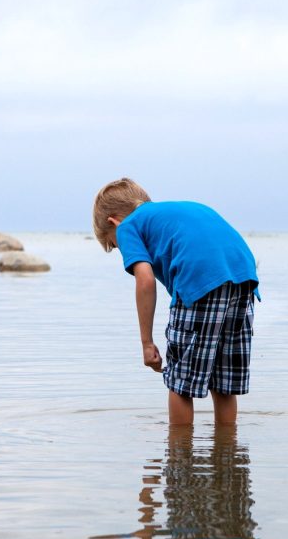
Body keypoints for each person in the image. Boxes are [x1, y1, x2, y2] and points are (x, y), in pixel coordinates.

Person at [93, 178, 259, 425]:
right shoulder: (172, 212)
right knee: (223, 382)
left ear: (113, 222)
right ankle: (227, 446)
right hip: (244, 276)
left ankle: (179, 448)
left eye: (114, 245)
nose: (122, 249)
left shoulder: (127, 226)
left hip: (199, 278)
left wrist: (147, 343)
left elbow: (145, 280)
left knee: (180, 383)